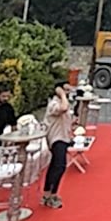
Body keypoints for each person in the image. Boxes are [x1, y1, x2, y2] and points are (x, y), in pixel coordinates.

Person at [41, 81, 74, 209]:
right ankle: (51, 195)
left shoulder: (63, 102)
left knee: (55, 166)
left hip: (63, 137)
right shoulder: (54, 104)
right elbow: (63, 108)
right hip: (56, 139)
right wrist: (62, 94)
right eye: (65, 90)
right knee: (59, 166)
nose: (68, 92)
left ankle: (48, 193)